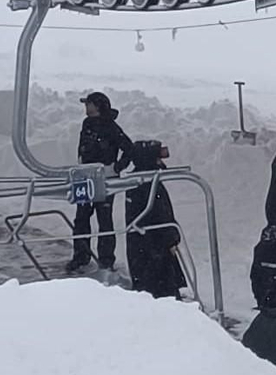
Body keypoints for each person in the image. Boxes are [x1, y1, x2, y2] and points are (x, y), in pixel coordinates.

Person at [66, 90, 132, 275]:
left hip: (105, 178)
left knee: (104, 219)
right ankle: (81, 256)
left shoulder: (111, 127)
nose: (86, 107)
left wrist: (117, 167)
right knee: (81, 218)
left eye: (89, 104)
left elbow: (129, 148)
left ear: (98, 106)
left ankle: (106, 260)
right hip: (84, 176)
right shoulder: (86, 123)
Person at [124, 139, 186, 299]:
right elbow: (161, 214)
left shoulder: (139, 181)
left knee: (148, 287)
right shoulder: (148, 184)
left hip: (144, 248)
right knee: (161, 290)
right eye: (158, 157)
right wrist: (171, 238)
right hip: (154, 249)